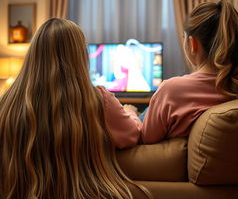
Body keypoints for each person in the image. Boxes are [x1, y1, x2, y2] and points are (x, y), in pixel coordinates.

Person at [0, 18, 148, 198]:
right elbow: (131, 135)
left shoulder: (7, 102)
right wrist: (131, 113)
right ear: (80, 55)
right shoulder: (99, 100)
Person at [141, 0, 238, 144]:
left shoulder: (171, 91)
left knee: (141, 114)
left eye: (184, 38)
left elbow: (146, 141)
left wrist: (130, 114)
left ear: (192, 43)